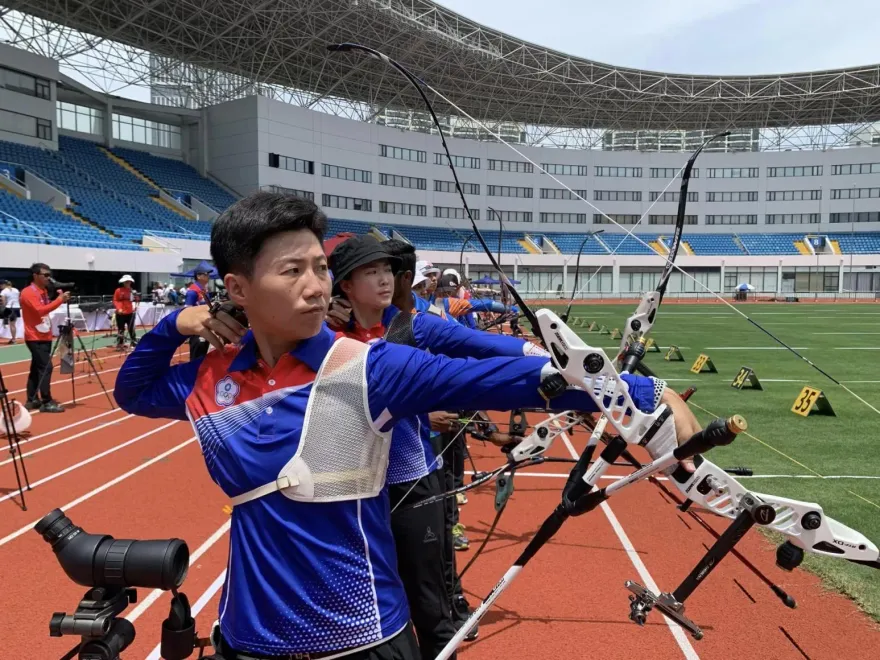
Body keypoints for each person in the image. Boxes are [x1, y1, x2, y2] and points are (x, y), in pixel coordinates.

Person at [113, 192, 696, 660]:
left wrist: (645, 392)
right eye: (292, 270)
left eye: (319, 267)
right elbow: (132, 391)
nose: (315, 285)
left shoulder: (371, 367)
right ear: (237, 289)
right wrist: (173, 325)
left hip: (360, 638)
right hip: (248, 637)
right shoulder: (211, 378)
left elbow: (510, 379)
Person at [20, 263, 68, 412]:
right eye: (45, 275)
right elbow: (40, 311)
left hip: (44, 334)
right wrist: (60, 300)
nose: (49, 278)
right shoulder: (28, 292)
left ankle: (32, 399)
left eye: (49, 275)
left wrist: (58, 298)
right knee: (46, 367)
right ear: (35, 275)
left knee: (36, 368)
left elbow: (46, 309)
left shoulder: (43, 291)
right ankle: (46, 401)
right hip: (34, 336)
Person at [185, 266, 213, 361]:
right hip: (197, 328)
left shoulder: (204, 290)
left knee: (203, 353)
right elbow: (187, 310)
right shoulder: (193, 291)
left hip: (205, 325)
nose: (208, 276)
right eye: (206, 274)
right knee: (197, 354)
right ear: (199, 276)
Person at [113, 275, 139, 349]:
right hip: (120, 313)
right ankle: (120, 343)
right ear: (123, 282)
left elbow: (137, 299)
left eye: (129, 282)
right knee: (121, 329)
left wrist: (136, 298)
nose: (128, 283)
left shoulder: (132, 290)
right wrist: (119, 308)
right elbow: (115, 300)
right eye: (126, 282)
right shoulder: (118, 290)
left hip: (130, 312)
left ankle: (133, 342)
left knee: (131, 328)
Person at [1, 280, 21, 344]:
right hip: (16, 308)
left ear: (4, 285)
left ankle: (14, 340)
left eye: (0, 285)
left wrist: (4, 307)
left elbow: (3, 301)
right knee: (13, 324)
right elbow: (19, 298)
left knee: (9, 324)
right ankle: (13, 339)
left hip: (9, 308)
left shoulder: (4, 291)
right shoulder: (16, 290)